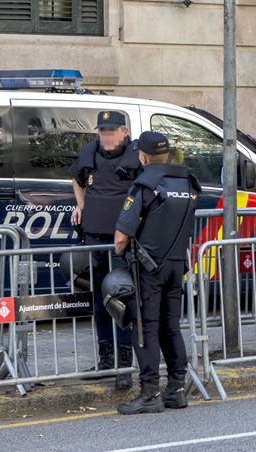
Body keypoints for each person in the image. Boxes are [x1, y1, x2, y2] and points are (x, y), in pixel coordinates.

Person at [112, 131, 200, 415]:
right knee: (171, 326)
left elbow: (121, 238)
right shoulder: (188, 182)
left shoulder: (145, 185)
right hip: (177, 265)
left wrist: (121, 253)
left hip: (148, 268)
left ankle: (150, 393)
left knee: (145, 328)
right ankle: (176, 390)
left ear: (143, 156)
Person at [69, 110, 141, 390]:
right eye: (102, 131)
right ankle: (105, 360)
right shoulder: (90, 152)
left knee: (119, 299)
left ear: (124, 132)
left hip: (121, 242)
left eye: (111, 131)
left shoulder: (137, 156)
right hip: (94, 238)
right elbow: (76, 179)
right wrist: (81, 205)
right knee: (99, 299)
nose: (106, 137)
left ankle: (124, 366)